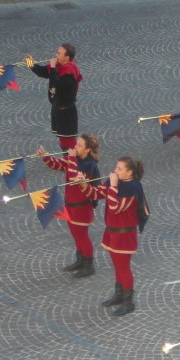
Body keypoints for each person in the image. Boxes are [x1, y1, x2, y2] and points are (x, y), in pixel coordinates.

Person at [89, 157, 147, 316]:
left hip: (125, 235)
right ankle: (119, 294)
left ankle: (128, 300)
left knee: (123, 267)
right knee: (117, 266)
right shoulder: (115, 182)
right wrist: (82, 184)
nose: (115, 171)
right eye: (117, 167)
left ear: (129, 172)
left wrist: (113, 186)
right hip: (112, 231)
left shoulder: (133, 187)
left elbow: (115, 207)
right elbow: (95, 193)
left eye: (120, 168)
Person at [38, 134, 102, 278]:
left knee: (82, 235)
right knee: (75, 234)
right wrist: (45, 156)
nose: (74, 147)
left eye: (79, 145)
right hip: (70, 205)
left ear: (87, 150)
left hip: (82, 207)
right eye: (76, 144)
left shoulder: (89, 166)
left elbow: (74, 179)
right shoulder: (75, 159)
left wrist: (72, 158)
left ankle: (88, 264)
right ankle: (80, 259)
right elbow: (58, 164)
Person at [30, 44, 83, 149]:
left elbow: (57, 84)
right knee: (62, 139)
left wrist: (53, 68)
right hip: (57, 107)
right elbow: (44, 72)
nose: (56, 55)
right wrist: (30, 63)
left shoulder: (70, 71)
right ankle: (67, 160)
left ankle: (71, 161)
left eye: (59, 53)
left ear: (67, 57)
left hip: (66, 111)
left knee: (68, 140)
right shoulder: (58, 65)